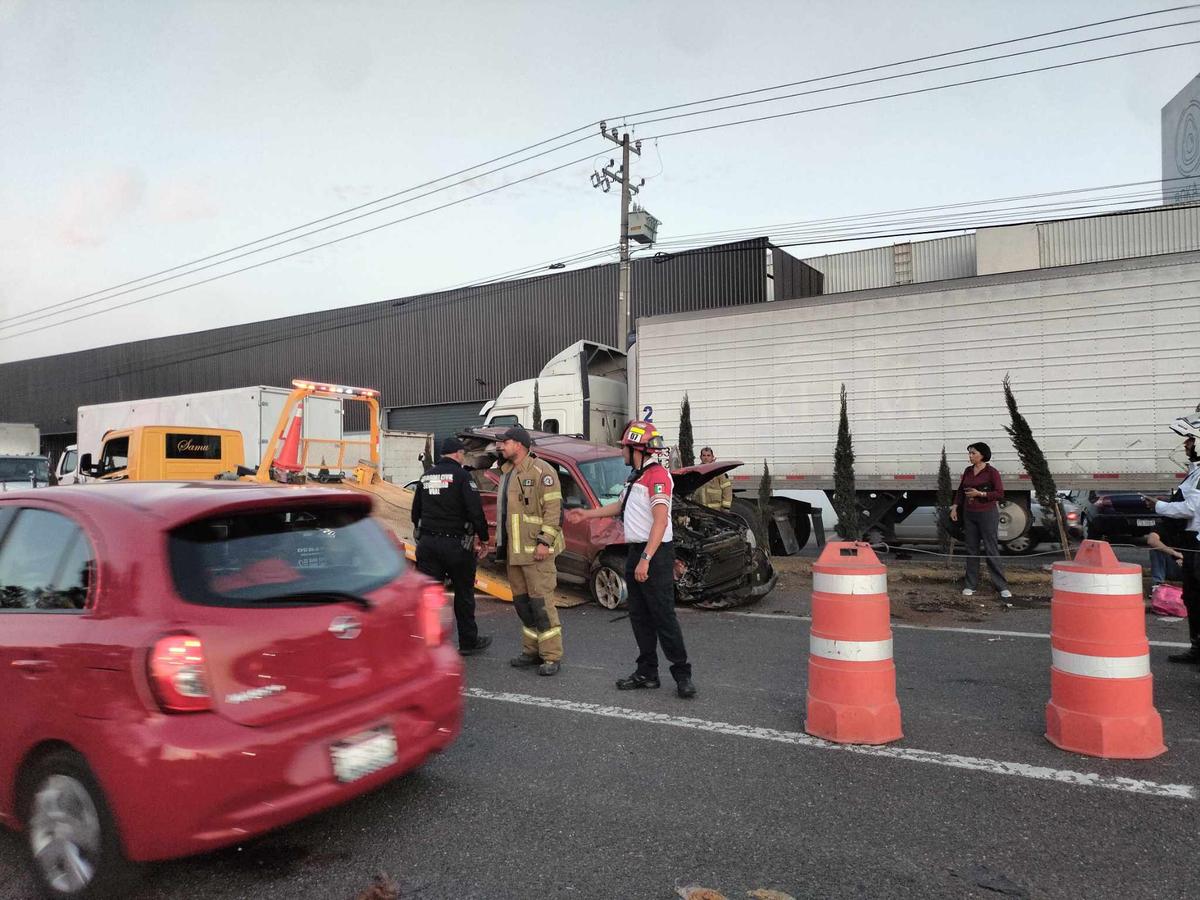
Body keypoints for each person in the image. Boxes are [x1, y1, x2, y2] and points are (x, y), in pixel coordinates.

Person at [567, 419, 697, 699]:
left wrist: (647, 559)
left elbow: (660, 522)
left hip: (655, 553)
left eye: (624, 447)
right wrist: (587, 514)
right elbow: (620, 506)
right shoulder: (635, 477)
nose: (621, 452)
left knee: (663, 617)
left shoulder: (658, 476)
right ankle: (647, 673)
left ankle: (682, 675)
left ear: (636, 449)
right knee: (639, 617)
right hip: (636, 551)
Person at [411, 437, 492, 656]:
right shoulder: (463, 477)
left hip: (428, 545)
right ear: (457, 454)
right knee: (464, 594)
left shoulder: (425, 477)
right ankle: (468, 642)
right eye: (463, 454)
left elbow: (415, 513)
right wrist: (484, 539)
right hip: (457, 545)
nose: (464, 457)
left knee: (430, 596)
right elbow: (475, 511)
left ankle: (430, 642)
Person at [494, 425, 564, 676]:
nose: (501, 446)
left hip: (536, 553)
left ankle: (551, 656)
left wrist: (545, 542)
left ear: (520, 445)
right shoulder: (507, 473)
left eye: (506, 442)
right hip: (515, 554)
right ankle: (531, 651)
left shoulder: (543, 472)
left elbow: (553, 511)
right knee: (523, 605)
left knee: (541, 604)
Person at [1142, 415, 1200, 663]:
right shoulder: (1195, 470)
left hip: (1197, 544)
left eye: (1189, 439)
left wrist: (1160, 506)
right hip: (1191, 542)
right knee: (1192, 596)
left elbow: (1191, 508)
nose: (1185, 444)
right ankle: (1196, 649)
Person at [949, 441, 1012, 600]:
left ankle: (1002, 586)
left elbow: (999, 493)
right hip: (969, 514)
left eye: (973, 453)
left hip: (987, 514)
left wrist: (980, 494)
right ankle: (970, 585)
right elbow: (961, 491)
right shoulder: (968, 471)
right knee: (971, 549)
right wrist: (955, 506)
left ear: (982, 455)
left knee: (991, 549)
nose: (970, 456)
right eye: (969, 453)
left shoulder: (992, 472)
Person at [694, 446, 733, 511]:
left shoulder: (719, 472)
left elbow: (727, 490)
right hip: (699, 510)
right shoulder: (697, 472)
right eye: (704, 455)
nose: (706, 458)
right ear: (700, 457)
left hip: (715, 511)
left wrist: (726, 508)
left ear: (712, 457)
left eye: (708, 455)